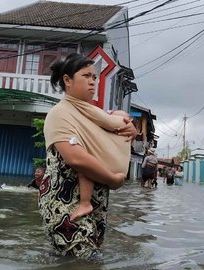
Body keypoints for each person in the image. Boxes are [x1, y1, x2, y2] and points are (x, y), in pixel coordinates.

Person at [40, 53, 136, 258]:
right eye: (86, 76)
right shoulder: (60, 114)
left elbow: (111, 139)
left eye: (95, 77)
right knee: (83, 260)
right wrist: (113, 180)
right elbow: (76, 158)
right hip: (66, 205)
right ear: (67, 80)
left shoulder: (96, 115)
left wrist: (130, 130)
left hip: (96, 204)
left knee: (88, 259)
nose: (93, 81)